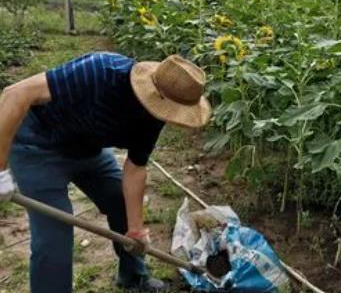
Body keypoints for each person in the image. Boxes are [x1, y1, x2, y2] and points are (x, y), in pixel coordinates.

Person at [0, 52, 212, 293]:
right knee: (53, 240)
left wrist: (136, 230)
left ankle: (133, 277)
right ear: (156, 93)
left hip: (88, 148)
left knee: (121, 203)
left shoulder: (156, 114)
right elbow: (15, 93)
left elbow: (135, 168)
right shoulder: (100, 72)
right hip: (38, 145)